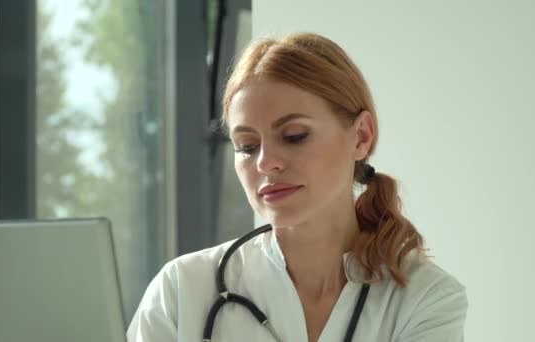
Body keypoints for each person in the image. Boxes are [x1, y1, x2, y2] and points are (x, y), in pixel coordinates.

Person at [127, 32, 468, 342]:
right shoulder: (181, 290)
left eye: (294, 136)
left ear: (361, 137)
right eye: (246, 146)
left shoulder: (426, 299)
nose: (265, 162)